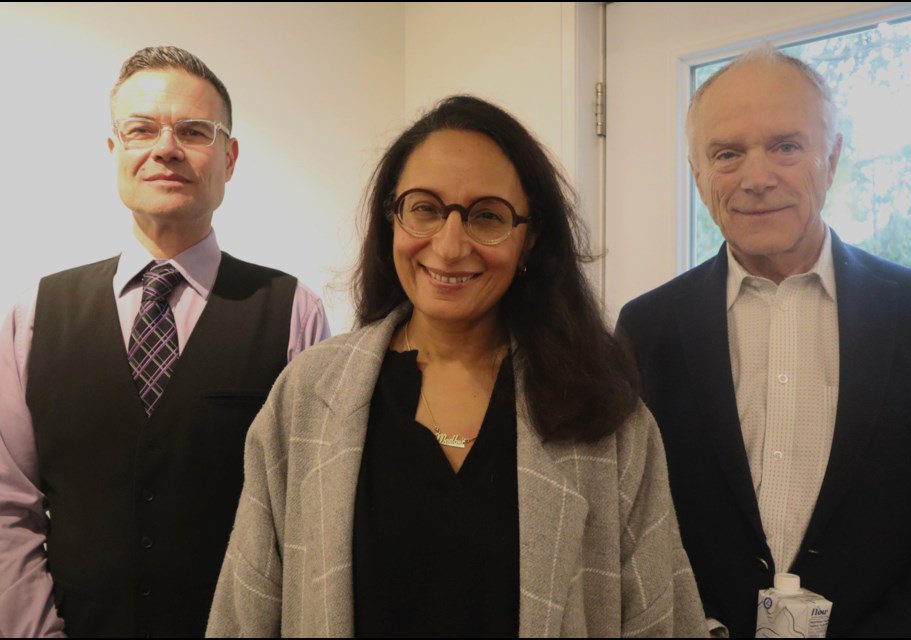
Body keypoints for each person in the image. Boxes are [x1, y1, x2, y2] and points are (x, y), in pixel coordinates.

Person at [205, 95, 706, 637]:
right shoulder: (307, 395)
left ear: (529, 240)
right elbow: (247, 607)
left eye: (487, 216)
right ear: (390, 218)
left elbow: (662, 618)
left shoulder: (607, 418)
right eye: (424, 208)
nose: (448, 246)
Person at [616, 46, 911, 637]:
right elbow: (626, 528)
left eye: (786, 146)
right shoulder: (646, 329)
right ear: (698, 174)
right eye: (727, 153)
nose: (757, 177)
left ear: (831, 156)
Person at [0, 46, 330, 637]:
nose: (166, 147)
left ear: (228, 158)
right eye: (142, 129)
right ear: (114, 152)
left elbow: (309, 518)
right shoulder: (32, 314)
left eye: (194, 131)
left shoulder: (293, 313)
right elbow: (8, 511)